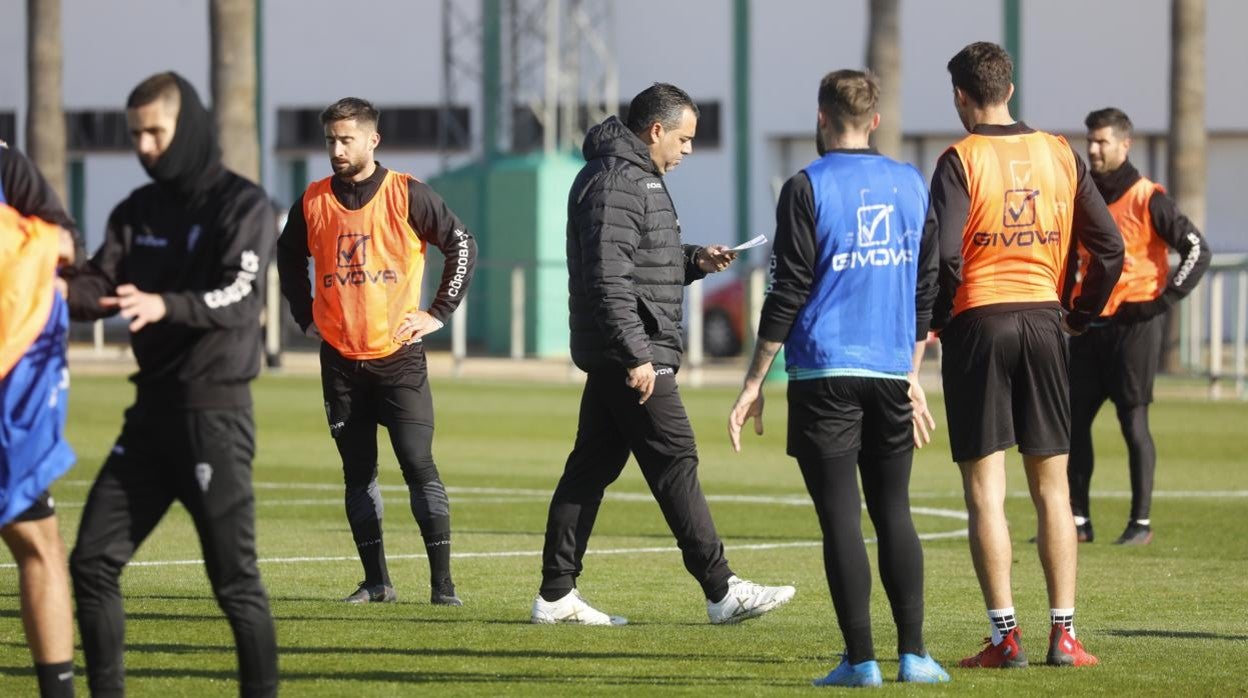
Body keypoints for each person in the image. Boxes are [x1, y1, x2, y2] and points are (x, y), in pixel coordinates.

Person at [532, 82, 795, 626]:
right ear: (656, 130)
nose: (689, 150)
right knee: (675, 458)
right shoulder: (616, 181)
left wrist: (695, 259)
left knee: (590, 470)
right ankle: (722, 590)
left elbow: (645, 259)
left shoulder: (634, 177)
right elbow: (609, 279)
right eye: (684, 139)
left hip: (627, 348)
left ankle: (556, 595)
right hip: (633, 352)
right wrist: (636, 356)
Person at [727, 70, 948, 687]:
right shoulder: (911, 183)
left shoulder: (806, 185)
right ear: (874, 121)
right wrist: (912, 373)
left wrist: (754, 382)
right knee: (894, 511)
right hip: (889, 372)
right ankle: (915, 656)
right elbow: (926, 285)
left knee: (842, 520)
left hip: (824, 372)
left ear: (822, 117)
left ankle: (861, 661)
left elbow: (788, 288)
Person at [63, 71, 278, 697]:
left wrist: (165, 304)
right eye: (135, 134)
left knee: (234, 583)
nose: (144, 146)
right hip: (149, 419)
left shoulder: (244, 204)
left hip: (214, 417)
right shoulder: (136, 211)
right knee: (92, 562)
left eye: (155, 132)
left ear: (187, 127)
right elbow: (99, 283)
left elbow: (240, 298)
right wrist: (51, 288)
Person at [926, 42, 1123, 669]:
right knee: (1053, 488)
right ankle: (1064, 635)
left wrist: (938, 320)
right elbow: (1110, 248)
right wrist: (1079, 314)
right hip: (1044, 320)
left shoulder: (959, 158)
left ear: (961, 96)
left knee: (986, 490)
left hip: (978, 322)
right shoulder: (1060, 152)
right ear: (1009, 89)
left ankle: (1005, 637)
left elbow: (946, 257)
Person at [277, 97, 476, 606]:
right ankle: (376, 582)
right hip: (340, 363)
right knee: (358, 474)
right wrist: (304, 316)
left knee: (417, 465)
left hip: (399, 358)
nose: (337, 149)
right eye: (331, 140)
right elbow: (287, 256)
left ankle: (443, 587)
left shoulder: (406, 193)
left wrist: (437, 313)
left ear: (373, 140)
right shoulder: (312, 200)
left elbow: (462, 245)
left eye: (347, 140)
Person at [1066, 107, 1210, 546]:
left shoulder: (1148, 197)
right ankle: (1077, 521)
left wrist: (1161, 302)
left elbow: (1197, 250)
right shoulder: (1082, 195)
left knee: (1133, 424)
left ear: (1124, 145)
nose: (1093, 149)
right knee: (1072, 424)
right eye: (1090, 140)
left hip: (1134, 328)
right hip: (1090, 326)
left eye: (1102, 141)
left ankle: (1140, 524)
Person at [0, 141, 79, 698]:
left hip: (9, 388)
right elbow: (63, 244)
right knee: (39, 547)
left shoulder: (7, 165)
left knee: (38, 545)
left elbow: (67, 243)